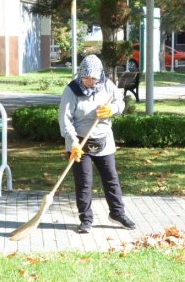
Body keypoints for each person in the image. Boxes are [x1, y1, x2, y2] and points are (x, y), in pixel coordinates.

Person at [58, 54, 136, 234]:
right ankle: (85, 219)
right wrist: (74, 144)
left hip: (104, 140)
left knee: (111, 178)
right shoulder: (71, 91)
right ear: (80, 75)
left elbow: (120, 103)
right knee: (84, 182)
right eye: (85, 78)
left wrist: (112, 110)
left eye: (93, 78)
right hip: (79, 142)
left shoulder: (107, 85)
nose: (89, 82)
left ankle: (117, 213)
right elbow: (65, 120)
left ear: (99, 76)